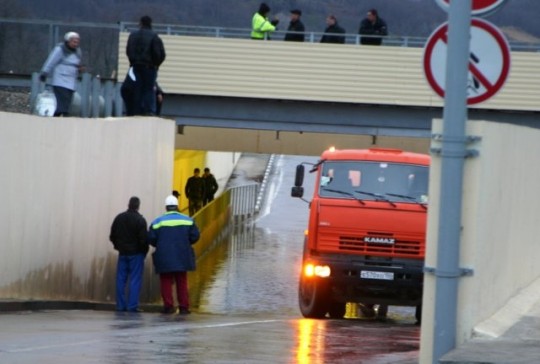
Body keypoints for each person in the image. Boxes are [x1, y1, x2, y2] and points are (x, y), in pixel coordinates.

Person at [148, 195, 200, 314]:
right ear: (177, 206)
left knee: (165, 281)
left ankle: (168, 307)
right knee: (181, 281)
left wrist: (160, 245)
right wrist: (186, 243)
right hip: (182, 255)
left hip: (164, 256)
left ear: (166, 207)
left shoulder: (157, 222)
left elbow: (151, 238)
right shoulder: (188, 220)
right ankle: (184, 307)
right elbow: (195, 236)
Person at [109, 196, 149, 312]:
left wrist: (118, 247)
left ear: (128, 204)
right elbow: (143, 240)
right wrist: (143, 252)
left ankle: (120, 306)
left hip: (122, 253)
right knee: (135, 279)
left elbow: (112, 236)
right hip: (136, 254)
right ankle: (132, 306)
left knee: (121, 279)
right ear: (138, 206)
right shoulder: (140, 220)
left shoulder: (119, 218)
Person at [126, 15, 166, 115]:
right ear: (150, 23)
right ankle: (149, 111)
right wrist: (156, 65)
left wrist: (132, 62)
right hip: (149, 67)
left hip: (135, 66)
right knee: (148, 89)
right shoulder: (154, 36)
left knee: (137, 88)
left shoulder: (133, 36)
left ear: (140, 23)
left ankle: (136, 110)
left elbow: (128, 51)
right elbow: (160, 54)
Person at [39, 32, 83, 117]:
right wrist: (44, 72)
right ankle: (62, 114)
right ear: (68, 41)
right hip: (60, 79)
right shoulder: (60, 49)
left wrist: (79, 69)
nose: (75, 44)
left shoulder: (78, 52)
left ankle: (59, 115)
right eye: (74, 42)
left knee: (68, 100)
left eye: (77, 42)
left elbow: (77, 64)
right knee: (62, 98)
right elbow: (51, 61)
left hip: (71, 80)